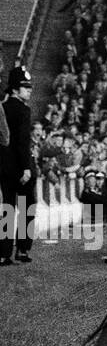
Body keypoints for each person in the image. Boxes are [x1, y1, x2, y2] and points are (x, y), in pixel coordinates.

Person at [1, 65, 36, 265]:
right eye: (25, 87)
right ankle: (22, 249)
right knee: (27, 207)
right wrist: (26, 167)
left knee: (7, 209)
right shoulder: (23, 110)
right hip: (21, 168)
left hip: (5, 168)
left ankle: (4, 252)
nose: (29, 90)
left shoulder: (2, 108)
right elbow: (22, 141)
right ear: (15, 89)